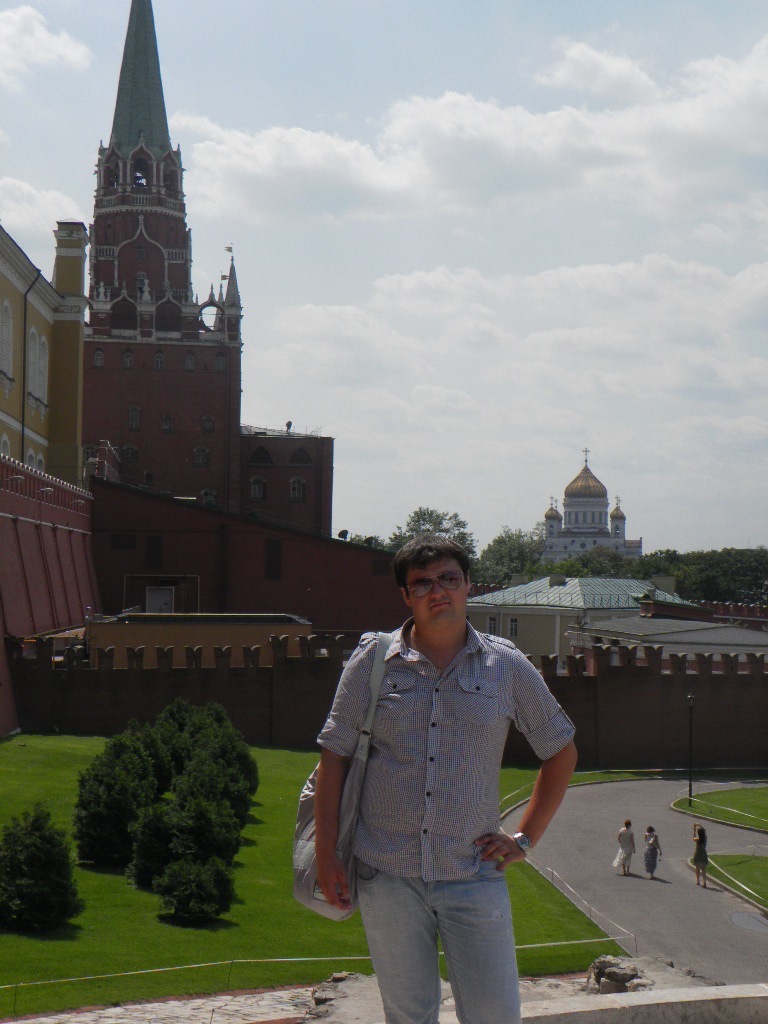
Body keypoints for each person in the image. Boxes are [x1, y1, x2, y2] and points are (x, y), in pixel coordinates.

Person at [314, 535, 577, 1024]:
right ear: (405, 595)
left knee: (495, 1015)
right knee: (408, 1016)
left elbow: (561, 749)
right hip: (387, 873)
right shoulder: (373, 662)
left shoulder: (505, 665)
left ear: (468, 585)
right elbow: (334, 758)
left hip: (472, 873)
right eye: (422, 583)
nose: (438, 592)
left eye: (449, 579)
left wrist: (524, 838)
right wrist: (327, 854)